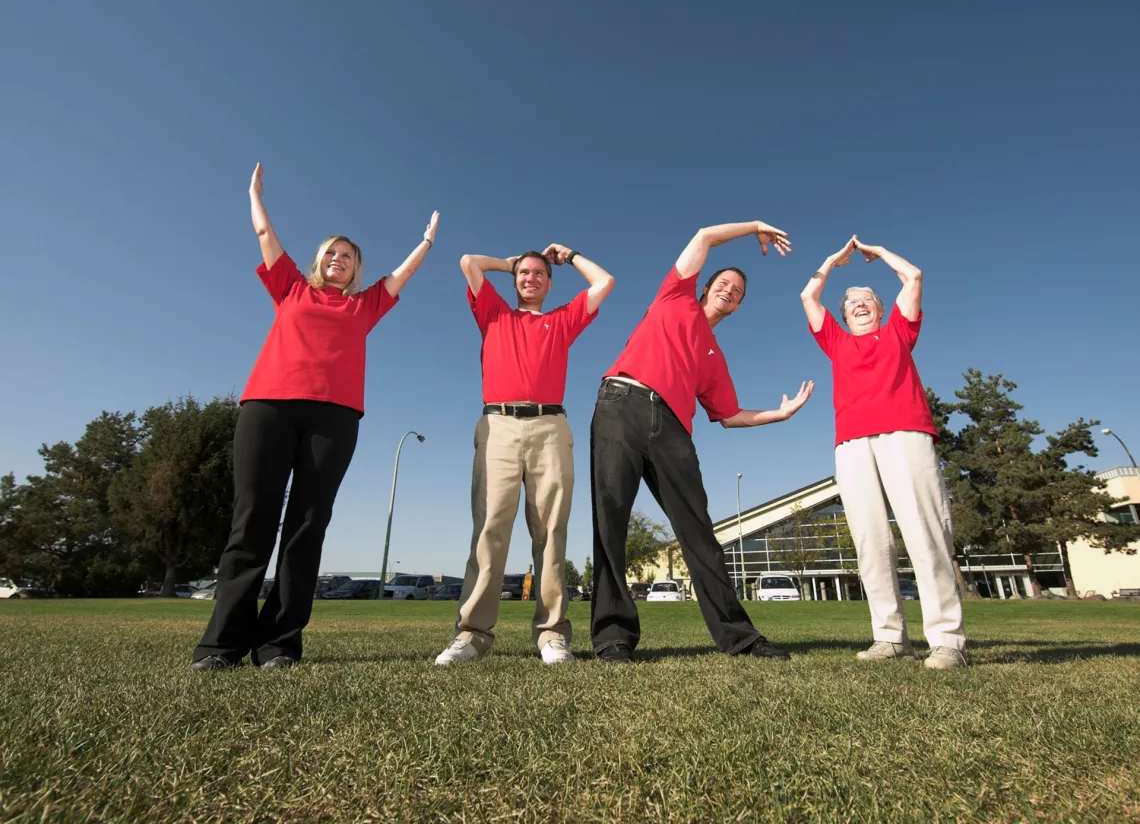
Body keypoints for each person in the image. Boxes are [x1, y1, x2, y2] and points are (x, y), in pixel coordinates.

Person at [190, 163, 438, 671]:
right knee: (252, 519)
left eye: (348, 257)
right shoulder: (290, 289)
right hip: (268, 408)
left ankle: (279, 644)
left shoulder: (365, 307)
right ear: (317, 261)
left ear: (356, 270)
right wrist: (254, 193)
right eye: (331, 253)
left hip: (335, 419)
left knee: (307, 525)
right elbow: (264, 233)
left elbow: (403, 275)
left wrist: (427, 243)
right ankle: (221, 646)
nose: (338, 260)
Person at [590, 221, 814, 663]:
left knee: (699, 533)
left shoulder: (714, 357)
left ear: (737, 307)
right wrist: (754, 228)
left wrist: (780, 414)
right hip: (621, 403)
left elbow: (730, 416)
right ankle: (613, 638)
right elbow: (705, 236)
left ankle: (740, 638)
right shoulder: (674, 295)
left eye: (738, 292)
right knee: (610, 520)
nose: (730, 290)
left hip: (672, 428)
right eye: (724, 283)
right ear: (705, 286)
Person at [435, 244, 614, 665]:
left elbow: (604, 282)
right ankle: (472, 634)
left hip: (550, 427)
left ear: (549, 283)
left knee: (551, 530)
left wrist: (568, 256)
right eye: (523, 273)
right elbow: (469, 261)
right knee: (490, 527)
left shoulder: (562, 320)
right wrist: (510, 261)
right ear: (514, 279)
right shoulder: (495, 313)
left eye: (538, 273)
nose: (530, 278)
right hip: (497, 425)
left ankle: (551, 635)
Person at [800, 236, 966, 670]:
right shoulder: (835, 342)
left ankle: (947, 640)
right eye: (852, 301)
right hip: (852, 445)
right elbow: (807, 294)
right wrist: (834, 261)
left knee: (924, 535)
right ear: (844, 314)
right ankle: (889, 637)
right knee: (871, 542)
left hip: (905, 435)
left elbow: (912, 276)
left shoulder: (898, 331)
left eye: (867, 299)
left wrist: (878, 253)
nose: (859, 304)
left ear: (879, 307)